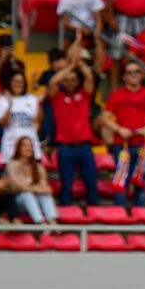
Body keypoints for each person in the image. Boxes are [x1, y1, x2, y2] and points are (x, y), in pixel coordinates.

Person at [100, 63, 145, 207]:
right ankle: (120, 214)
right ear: (124, 77)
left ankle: (141, 215)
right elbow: (104, 118)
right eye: (129, 72)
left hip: (143, 145)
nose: (133, 74)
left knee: (141, 180)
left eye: (136, 71)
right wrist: (119, 129)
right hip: (122, 145)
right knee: (121, 181)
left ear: (142, 76)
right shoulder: (117, 95)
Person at [47, 55, 99, 206]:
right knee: (66, 185)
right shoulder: (57, 97)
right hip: (65, 148)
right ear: (63, 81)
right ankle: (66, 216)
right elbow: (53, 82)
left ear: (78, 81)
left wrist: (79, 63)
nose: (70, 82)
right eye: (67, 80)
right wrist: (70, 66)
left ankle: (95, 215)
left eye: (73, 79)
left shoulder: (84, 95)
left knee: (92, 184)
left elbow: (89, 77)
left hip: (84, 146)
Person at [6, 136, 58, 225]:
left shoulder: (38, 166)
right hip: (19, 202)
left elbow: (47, 189)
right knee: (27, 194)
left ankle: (53, 223)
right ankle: (40, 223)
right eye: (24, 145)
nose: (28, 148)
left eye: (30, 145)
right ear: (18, 148)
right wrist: (36, 188)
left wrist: (29, 188)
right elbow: (16, 187)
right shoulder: (12, 164)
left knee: (45, 195)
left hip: (37, 200)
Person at [0, 72, 41, 163]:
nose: (18, 84)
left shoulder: (31, 98)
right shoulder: (2, 100)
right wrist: (10, 105)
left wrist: (39, 104)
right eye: (15, 81)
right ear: (10, 82)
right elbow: (2, 123)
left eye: (21, 81)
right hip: (10, 146)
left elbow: (38, 121)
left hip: (31, 146)